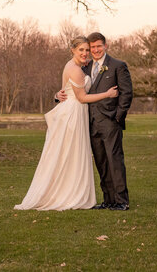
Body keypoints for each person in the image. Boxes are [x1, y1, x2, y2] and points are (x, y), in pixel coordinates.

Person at [14, 36, 118, 211]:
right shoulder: (75, 70)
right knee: (71, 153)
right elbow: (82, 97)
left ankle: (68, 191)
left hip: (71, 110)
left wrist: (57, 95)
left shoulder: (75, 66)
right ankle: (69, 195)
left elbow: (64, 91)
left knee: (67, 154)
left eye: (87, 50)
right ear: (72, 50)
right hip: (73, 113)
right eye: (81, 50)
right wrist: (107, 94)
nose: (85, 53)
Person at [56, 32, 133, 211]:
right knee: (101, 163)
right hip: (90, 122)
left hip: (110, 122)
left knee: (114, 161)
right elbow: (72, 87)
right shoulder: (85, 66)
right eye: (92, 48)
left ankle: (122, 201)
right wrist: (56, 95)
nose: (95, 50)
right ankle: (108, 200)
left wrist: (117, 117)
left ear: (105, 46)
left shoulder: (117, 66)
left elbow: (126, 93)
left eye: (99, 46)